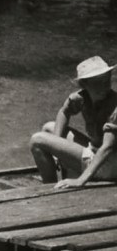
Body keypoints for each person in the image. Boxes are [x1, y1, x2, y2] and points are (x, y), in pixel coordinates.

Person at [29, 56, 117, 189]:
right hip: (95, 151)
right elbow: (64, 112)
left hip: (110, 165)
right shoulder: (81, 98)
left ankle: (49, 189)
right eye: (97, 83)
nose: (104, 87)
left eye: (106, 81)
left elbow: (108, 148)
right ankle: (53, 185)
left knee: (37, 140)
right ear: (84, 84)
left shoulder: (114, 108)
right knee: (48, 128)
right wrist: (57, 150)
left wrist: (80, 181)